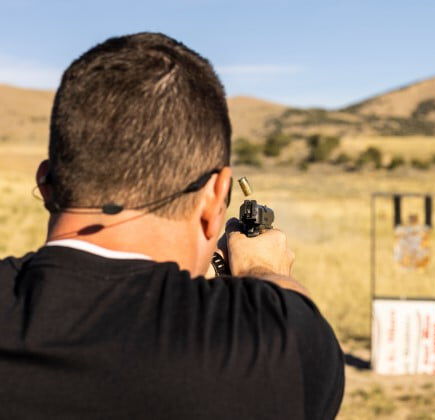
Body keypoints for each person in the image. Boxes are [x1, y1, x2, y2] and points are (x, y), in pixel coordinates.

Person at [0, 32, 344, 419]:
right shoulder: (267, 350)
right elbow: (301, 329)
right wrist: (260, 269)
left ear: (47, 184)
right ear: (216, 197)